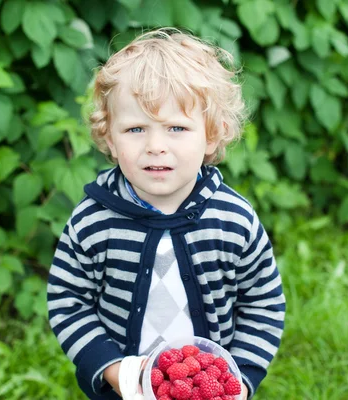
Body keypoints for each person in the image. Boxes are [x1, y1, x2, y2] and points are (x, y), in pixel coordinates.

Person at [47, 27, 285, 400]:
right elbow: (67, 300)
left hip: (209, 391)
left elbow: (263, 302)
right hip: (121, 390)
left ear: (211, 135)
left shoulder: (233, 222)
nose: (155, 146)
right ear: (110, 137)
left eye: (176, 127)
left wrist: (241, 378)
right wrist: (112, 369)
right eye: (136, 128)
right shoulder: (92, 222)